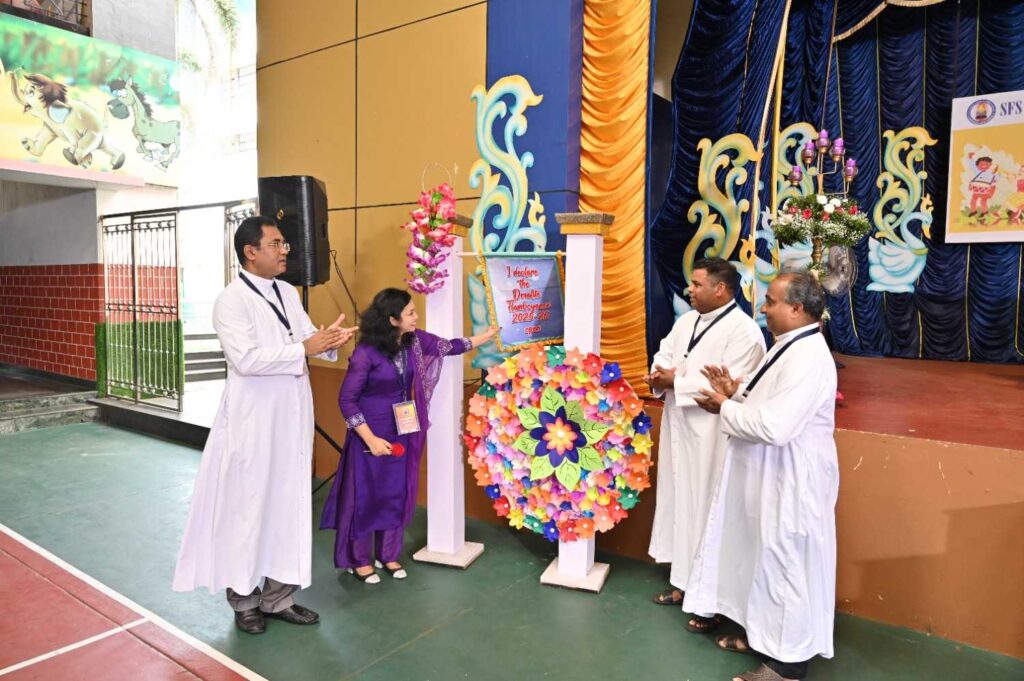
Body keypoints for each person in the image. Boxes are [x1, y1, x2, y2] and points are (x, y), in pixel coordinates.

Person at [173, 216, 357, 635]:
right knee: (248, 508)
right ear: (250, 252)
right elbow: (246, 360)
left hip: (291, 419)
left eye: (284, 244)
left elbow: (305, 338)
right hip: (253, 422)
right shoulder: (231, 300)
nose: (284, 251)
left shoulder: (288, 292)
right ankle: (244, 601)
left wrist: (327, 342)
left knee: (288, 506)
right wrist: (303, 348)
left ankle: (278, 597)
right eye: (275, 244)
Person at [686, 271, 838, 681]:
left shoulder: (808, 357)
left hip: (791, 480)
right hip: (770, 474)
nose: (763, 308)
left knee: (784, 564)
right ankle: (765, 638)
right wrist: (735, 392)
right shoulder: (788, 345)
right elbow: (767, 402)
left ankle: (786, 665)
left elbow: (776, 426)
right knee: (764, 559)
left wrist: (724, 407)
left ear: (797, 308)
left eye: (771, 301)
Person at [320, 288, 497, 583]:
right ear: (393, 320)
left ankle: (388, 555)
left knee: (397, 491)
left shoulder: (413, 340)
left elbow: (448, 346)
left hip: (404, 428)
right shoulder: (366, 353)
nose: (416, 317)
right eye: (410, 313)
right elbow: (347, 400)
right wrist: (370, 439)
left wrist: (484, 337)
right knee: (367, 494)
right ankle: (358, 559)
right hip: (370, 431)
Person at [644, 258, 765, 629]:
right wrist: (661, 373)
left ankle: (708, 601)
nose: (690, 290)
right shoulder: (687, 321)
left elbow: (732, 386)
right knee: (682, 504)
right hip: (680, 428)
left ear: (721, 289)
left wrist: (676, 382)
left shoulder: (744, 332)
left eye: (697, 285)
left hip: (714, 436)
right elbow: (665, 353)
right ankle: (683, 582)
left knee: (708, 510)